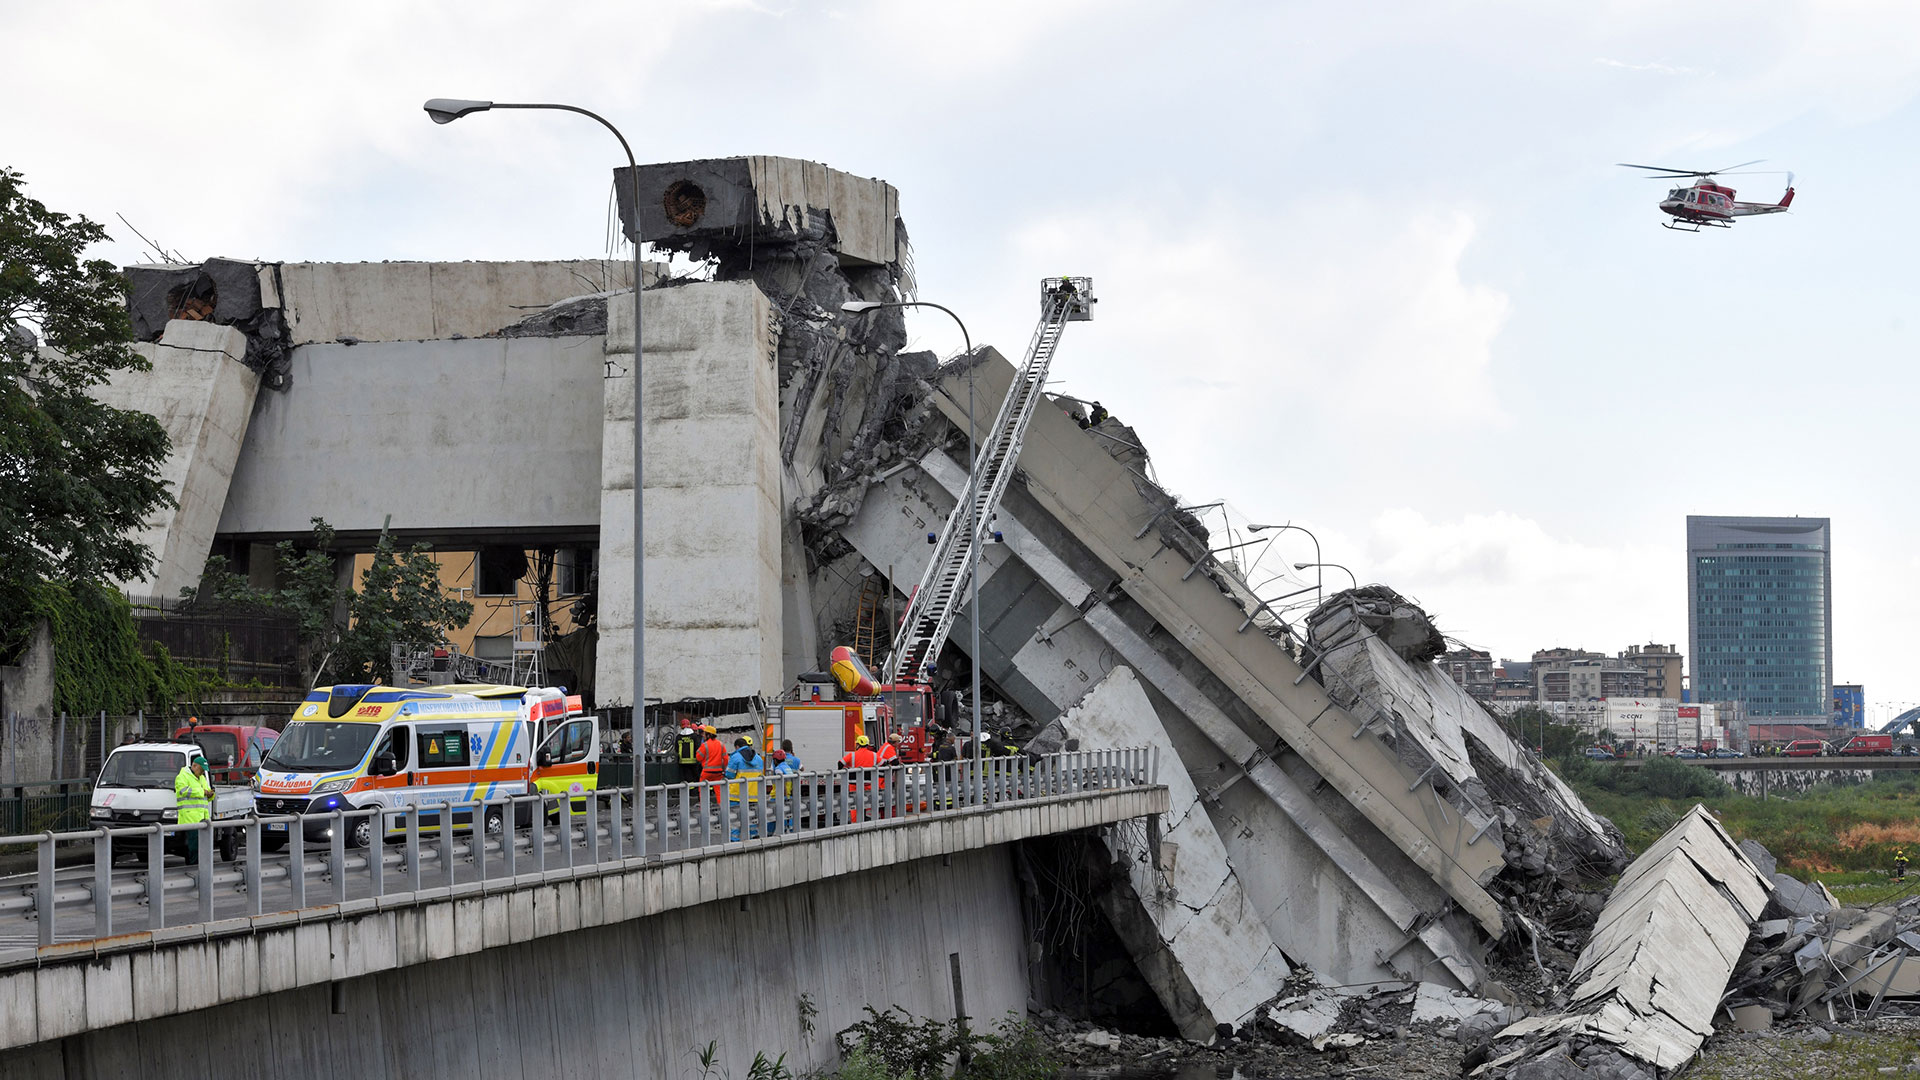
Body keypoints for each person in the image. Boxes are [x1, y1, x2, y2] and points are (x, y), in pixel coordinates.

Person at [173, 754, 213, 862]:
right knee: (194, 846)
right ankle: (194, 868)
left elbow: (205, 796)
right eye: (201, 770)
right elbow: (183, 791)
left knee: (202, 846)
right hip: (189, 818)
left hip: (203, 818)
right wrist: (203, 792)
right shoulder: (182, 777)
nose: (203, 772)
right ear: (194, 766)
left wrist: (210, 794)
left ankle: (200, 867)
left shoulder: (202, 778)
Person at [725, 736, 765, 841]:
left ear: (737, 746)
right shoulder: (758, 758)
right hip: (754, 795)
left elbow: (729, 774)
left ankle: (734, 841)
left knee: (735, 819)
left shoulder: (735, 757)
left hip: (737, 795)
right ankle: (753, 838)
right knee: (752, 819)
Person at [838, 735, 880, 822]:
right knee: (869, 801)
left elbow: (840, 764)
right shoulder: (874, 755)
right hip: (869, 782)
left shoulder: (852, 755)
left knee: (855, 802)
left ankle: (855, 822)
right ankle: (872, 820)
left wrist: (847, 768)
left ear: (858, 744)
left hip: (854, 783)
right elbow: (883, 763)